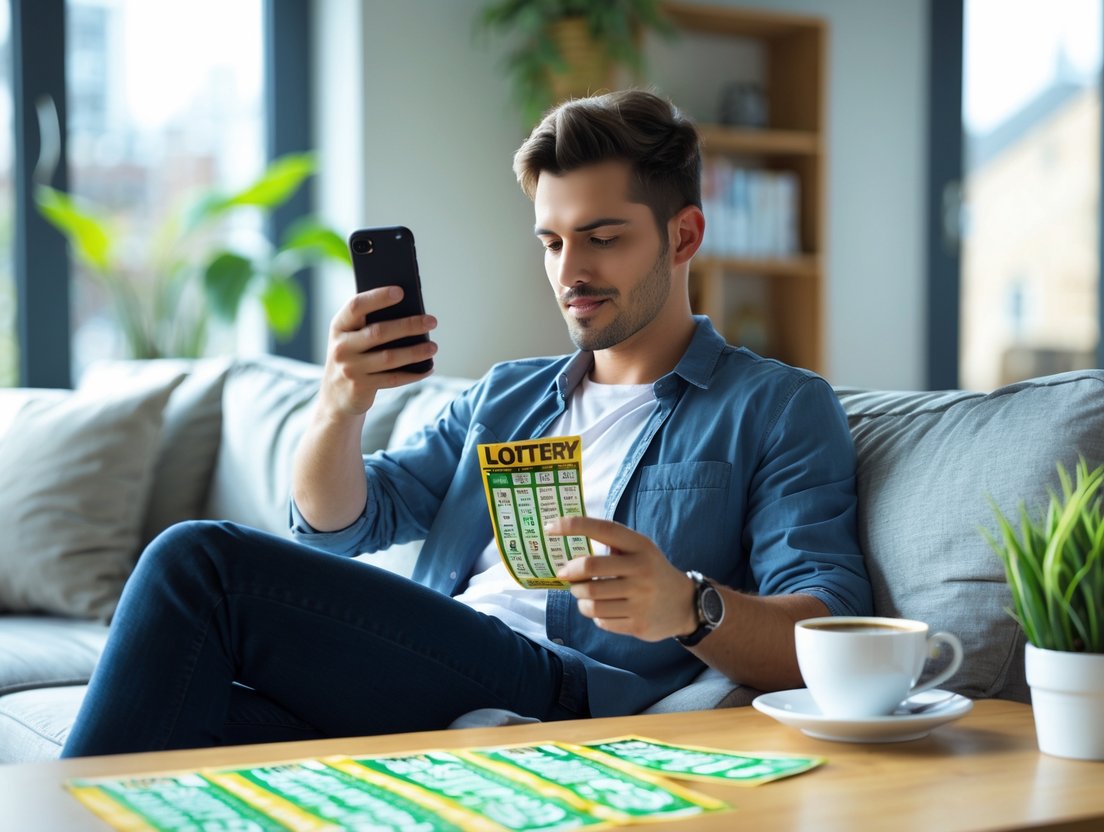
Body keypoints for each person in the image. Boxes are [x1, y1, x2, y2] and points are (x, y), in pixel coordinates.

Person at [62, 89, 871, 758]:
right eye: (551, 242)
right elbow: (340, 525)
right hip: (431, 674)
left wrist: (691, 607)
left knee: (199, 561)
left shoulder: (774, 405)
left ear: (683, 234)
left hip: (565, 690)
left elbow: (828, 627)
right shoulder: (505, 397)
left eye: (601, 238)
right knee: (176, 737)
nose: (569, 272)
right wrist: (340, 405)